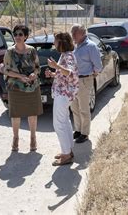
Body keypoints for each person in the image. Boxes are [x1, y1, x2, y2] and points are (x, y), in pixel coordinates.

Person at [3, 25, 43, 152]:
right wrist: (20, 76)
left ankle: (33, 137)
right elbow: (6, 70)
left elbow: (38, 67)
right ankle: (15, 138)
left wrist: (33, 74)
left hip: (32, 86)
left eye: (20, 34)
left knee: (32, 113)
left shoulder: (32, 50)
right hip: (15, 87)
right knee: (16, 114)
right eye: (15, 34)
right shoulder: (9, 52)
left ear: (26, 36)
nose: (17, 37)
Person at [45, 32, 79, 166]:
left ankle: (66, 155)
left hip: (63, 95)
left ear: (62, 42)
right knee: (65, 122)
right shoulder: (66, 55)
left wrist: (56, 66)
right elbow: (63, 75)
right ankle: (68, 151)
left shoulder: (68, 56)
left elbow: (69, 72)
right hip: (64, 94)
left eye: (55, 40)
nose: (54, 43)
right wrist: (53, 74)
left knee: (59, 124)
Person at [71, 24, 102, 143]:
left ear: (83, 33)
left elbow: (98, 66)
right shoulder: (75, 46)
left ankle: (85, 133)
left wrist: (90, 75)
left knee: (84, 108)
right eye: (72, 32)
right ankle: (78, 130)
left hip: (84, 80)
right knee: (74, 107)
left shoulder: (91, 46)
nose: (73, 35)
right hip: (73, 80)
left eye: (75, 32)